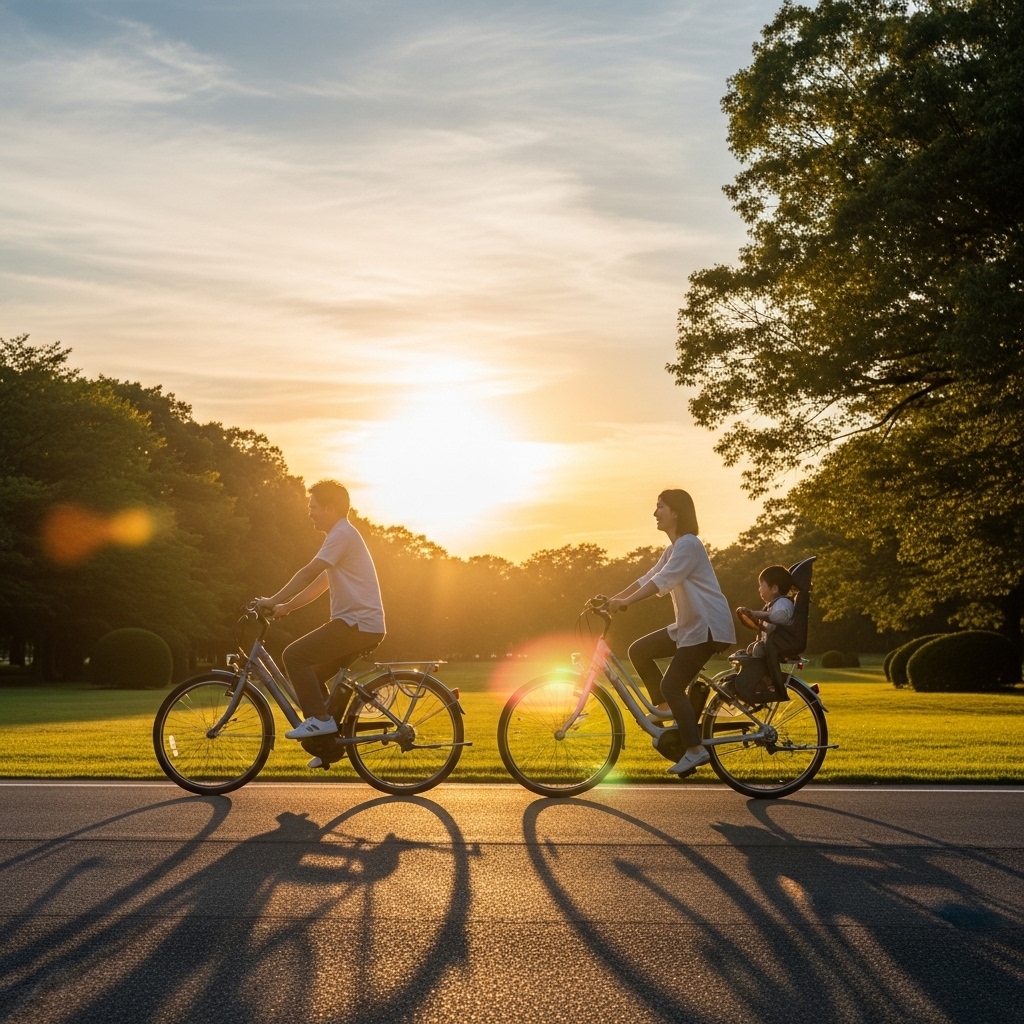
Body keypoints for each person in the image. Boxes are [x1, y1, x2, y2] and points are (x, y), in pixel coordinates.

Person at [607, 489, 736, 775]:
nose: (655, 513)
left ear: (675, 512)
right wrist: (611, 600)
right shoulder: (673, 548)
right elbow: (647, 578)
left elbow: (662, 581)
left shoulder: (689, 545)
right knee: (639, 651)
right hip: (691, 626)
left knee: (671, 685)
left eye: (660, 507)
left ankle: (693, 749)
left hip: (708, 627)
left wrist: (626, 602)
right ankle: (672, 720)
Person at [257, 480, 385, 755]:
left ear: (330, 508)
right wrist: (286, 607)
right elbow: (320, 584)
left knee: (294, 656)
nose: (310, 512)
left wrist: (271, 599)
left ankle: (320, 721)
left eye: (313, 507)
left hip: (357, 625)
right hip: (358, 625)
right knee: (311, 676)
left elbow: (308, 572)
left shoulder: (341, 535)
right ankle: (329, 745)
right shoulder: (342, 537)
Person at [737, 564, 797, 692]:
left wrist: (755, 613)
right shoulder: (773, 604)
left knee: (758, 649)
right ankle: (757, 678)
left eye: (761, 585)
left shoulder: (783, 603)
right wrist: (757, 621)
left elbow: (778, 617)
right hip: (773, 643)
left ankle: (764, 681)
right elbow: (769, 627)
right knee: (751, 649)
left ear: (774, 588)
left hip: (780, 644)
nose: (759, 589)